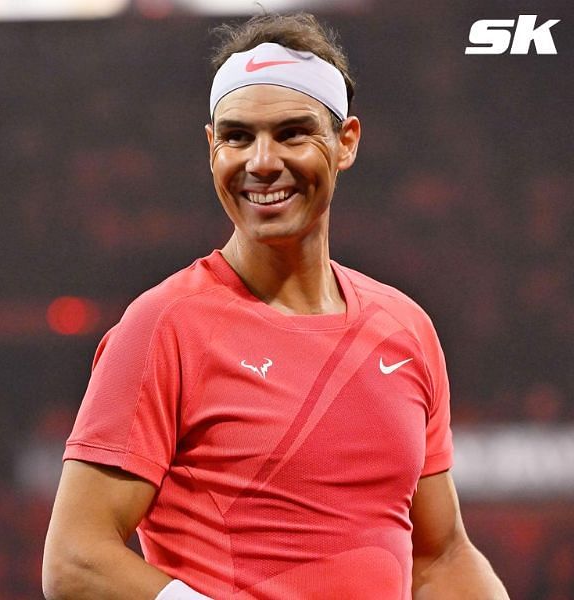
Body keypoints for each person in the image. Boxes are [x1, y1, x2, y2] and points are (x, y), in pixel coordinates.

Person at [42, 14, 506, 600]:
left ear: (346, 143)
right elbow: (76, 560)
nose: (261, 161)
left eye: (291, 133)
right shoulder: (163, 326)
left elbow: (441, 557)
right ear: (212, 148)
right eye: (237, 136)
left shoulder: (405, 328)